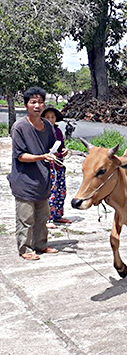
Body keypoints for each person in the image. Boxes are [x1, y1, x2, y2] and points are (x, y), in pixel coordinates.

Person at [7, 87, 62, 260]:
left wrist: (61, 153)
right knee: (26, 218)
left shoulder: (47, 125)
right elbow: (21, 156)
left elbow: (53, 146)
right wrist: (41, 156)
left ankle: (41, 245)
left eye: (40, 102)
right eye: (33, 102)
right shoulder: (19, 127)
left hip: (42, 179)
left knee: (42, 216)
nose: (37, 105)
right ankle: (24, 249)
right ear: (26, 105)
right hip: (24, 180)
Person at [41, 106, 71, 229]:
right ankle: (48, 218)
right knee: (51, 192)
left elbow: (61, 146)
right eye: (47, 117)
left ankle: (58, 215)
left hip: (59, 164)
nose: (50, 119)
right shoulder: (41, 131)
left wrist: (64, 151)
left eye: (52, 117)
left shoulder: (58, 131)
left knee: (61, 191)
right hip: (49, 166)